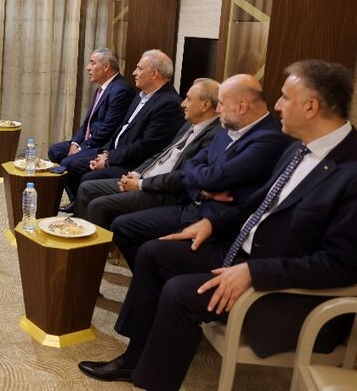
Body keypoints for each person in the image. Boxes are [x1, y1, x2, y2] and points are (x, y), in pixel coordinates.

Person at [78, 60, 357, 391]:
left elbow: (342, 264)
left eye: (285, 97)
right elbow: (257, 208)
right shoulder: (298, 148)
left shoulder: (350, 170)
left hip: (285, 291)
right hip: (240, 253)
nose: (277, 105)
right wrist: (211, 222)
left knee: (179, 291)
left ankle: (152, 382)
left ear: (311, 106)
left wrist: (255, 273)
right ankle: (134, 359)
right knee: (155, 253)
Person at [109, 74, 292, 268]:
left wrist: (202, 181)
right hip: (194, 205)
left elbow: (214, 178)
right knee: (123, 226)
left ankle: (156, 275)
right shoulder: (225, 129)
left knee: (151, 251)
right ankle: (154, 277)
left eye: (221, 103)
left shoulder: (270, 138)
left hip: (220, 222)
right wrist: (202, 190)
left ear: (242, 107)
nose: (217, 109)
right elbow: (191, 164)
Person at [73, 78, 222, 228]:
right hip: (147, 177)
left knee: (99, 205)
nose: (183, 103)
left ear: (205, 105)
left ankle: (90, 248)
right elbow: (162, 153)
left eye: (189, 99)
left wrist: (140, 184)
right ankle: (72, 233)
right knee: (87, 188)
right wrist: (137, 173)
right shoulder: (189, 124)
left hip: (165, 193)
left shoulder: (215, 135)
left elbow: (183, 176)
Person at [58, 49, 185, 200]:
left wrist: (109, 159)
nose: (133, 73)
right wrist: (104, 153)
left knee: (83, 173)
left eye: (139, 68)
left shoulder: (168, 103)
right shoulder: (141, 96)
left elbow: (146, 146)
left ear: (154, 73)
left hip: (133, 164)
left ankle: (84, 215)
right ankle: (77, 204)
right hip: (117, 153)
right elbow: (120, 130)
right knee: (74, 164)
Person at [48, 48, 134, 166]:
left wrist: (82, 148)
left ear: (106, 66)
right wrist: (75, 144)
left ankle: (70, 182)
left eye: (92, 63)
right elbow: (87, 123)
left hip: (102, 146)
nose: (88, 67)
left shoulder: (121, 90)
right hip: (89, 141)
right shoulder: (102, 87)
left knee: (68, 162)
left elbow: (108, 128)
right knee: (54, 150)